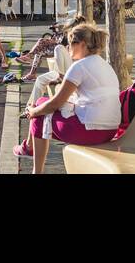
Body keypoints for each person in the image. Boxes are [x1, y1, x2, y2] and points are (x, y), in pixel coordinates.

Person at [14, 23, 121, 174]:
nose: (68, 47)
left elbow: (55, 104)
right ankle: (28, 148)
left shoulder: (79, 66)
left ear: (82, 44)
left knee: (39, 114)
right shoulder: (105, 65)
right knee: (41, 105)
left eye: (70, 43)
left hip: (90, 131)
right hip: (110, 130)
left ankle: (35, 165)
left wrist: (32, 112)